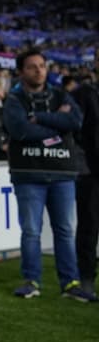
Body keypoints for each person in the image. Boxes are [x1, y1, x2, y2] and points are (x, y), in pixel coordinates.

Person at [1, 49, 92, 301]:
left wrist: (39, 118)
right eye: (32, 67)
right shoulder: (14, 99)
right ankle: (31, 280)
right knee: (31, 231)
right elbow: (20, 130)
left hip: (62, 172)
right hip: (28, 173)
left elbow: (74, 122)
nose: (39, 70)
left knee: (64, 230)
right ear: (21, 71)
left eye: (42, 65)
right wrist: (56, 127)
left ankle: (70, 283)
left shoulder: (61, 94)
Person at [73, 68, 99, 297]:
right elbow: (75, 129)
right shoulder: (84, 94)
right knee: (89, 227)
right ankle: (87, 279)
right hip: (91, 172)